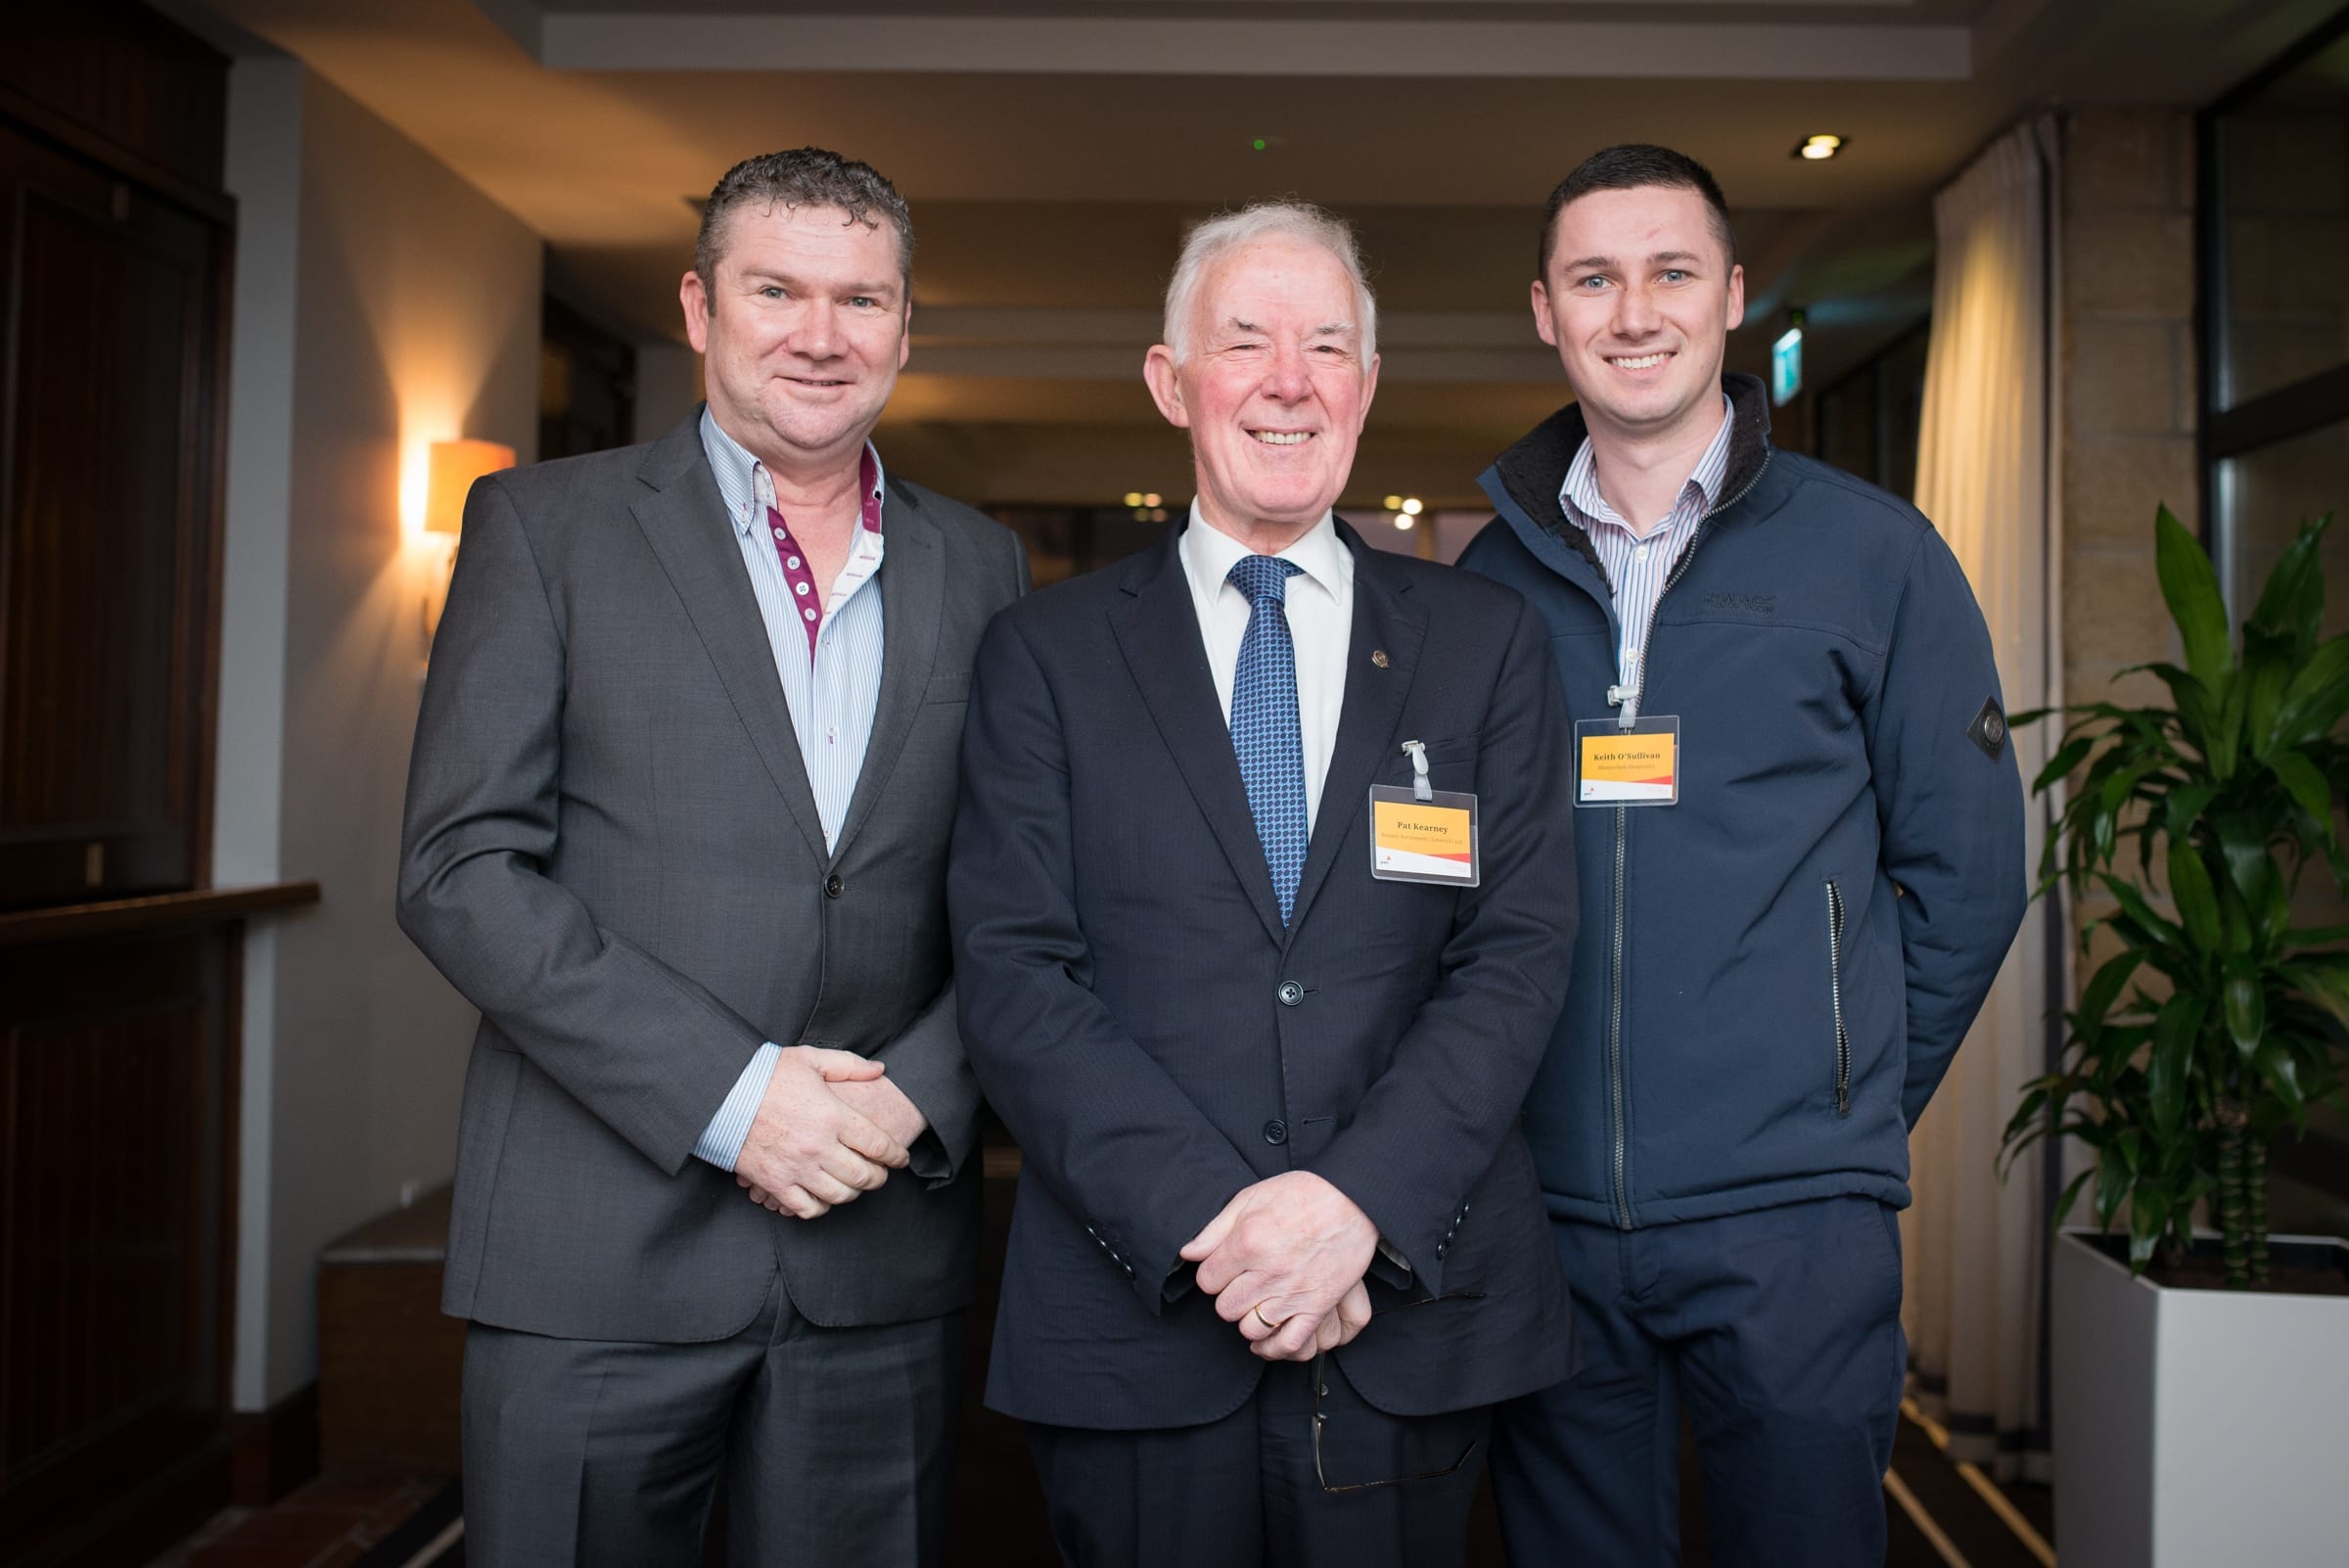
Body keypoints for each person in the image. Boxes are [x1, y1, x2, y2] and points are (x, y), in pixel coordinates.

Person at [396, 146, 1025, 1567]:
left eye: (862, 300)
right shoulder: (542, 530)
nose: (821, 334)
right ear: (698, 307)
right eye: (777, 291)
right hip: (593, 1256)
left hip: (878, 1253)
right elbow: (458, 865)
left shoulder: (980, 565)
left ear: (907, 329)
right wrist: (736, 1099)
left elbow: (1016, 891)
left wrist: (913, 1100)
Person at [949, 201, 1581, 1568]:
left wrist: (1352, 1206)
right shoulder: (1043, 656)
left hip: (1409, 1310)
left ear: (1364, 386)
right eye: (1247, 341)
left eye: (1328, 345)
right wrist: (1223, 1227)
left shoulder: (1487, 646)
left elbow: (1518, 954)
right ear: (1173, 382)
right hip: (1136, 1320)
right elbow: (1014, 975)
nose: (1290, 379)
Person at [1460, 143, 2027, 1566]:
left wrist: (1837, 1107)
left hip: (1796, 1223)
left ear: (1732, 295)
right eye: (1595, 276)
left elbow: (1969, 874)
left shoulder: (1874, 555)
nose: (1633, 309)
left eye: (1670, 272)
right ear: (1546, 308)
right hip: (1549, 1213)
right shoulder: (1484, 586)